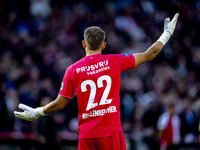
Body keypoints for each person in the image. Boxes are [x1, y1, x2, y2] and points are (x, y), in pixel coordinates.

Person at [14, 13, 179, 150]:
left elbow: (59, 104)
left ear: (84, 44)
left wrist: (37, 112)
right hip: (111, 134)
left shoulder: (72, 70)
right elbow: (149, 54)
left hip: (87, 136)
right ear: (104, 45)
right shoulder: (115, 61)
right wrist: (166, 34)